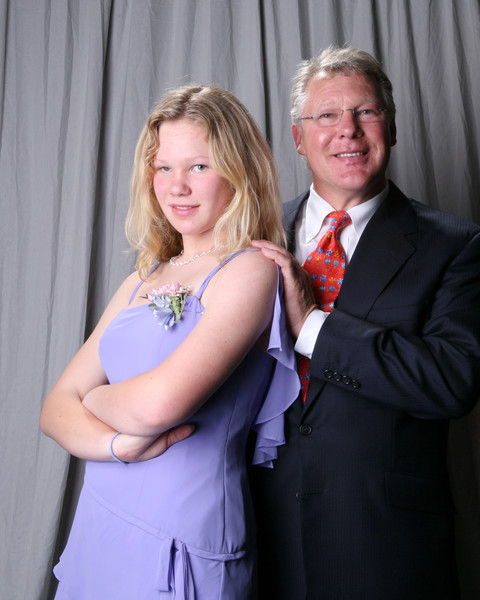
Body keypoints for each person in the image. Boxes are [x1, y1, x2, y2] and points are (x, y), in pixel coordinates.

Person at [40, 84, 299, 599]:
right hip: (104, 523)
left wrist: (92, 398)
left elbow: (160, 405)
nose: (177, 186)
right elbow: (52, 411)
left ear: (239, 170)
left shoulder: (251, 270)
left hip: (185, 537)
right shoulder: (142, 277)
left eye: (199, 167)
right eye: (164, 168)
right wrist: (117, 444)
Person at [249, 46, 480, 600]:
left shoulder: (454, 245)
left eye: (367, 112)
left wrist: (312, 327)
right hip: (255, 533)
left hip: (385, 548)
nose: (347, 130)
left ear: (392, 128)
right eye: (326, 115)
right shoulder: (251, 239)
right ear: (299, 137)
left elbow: (452, 381)